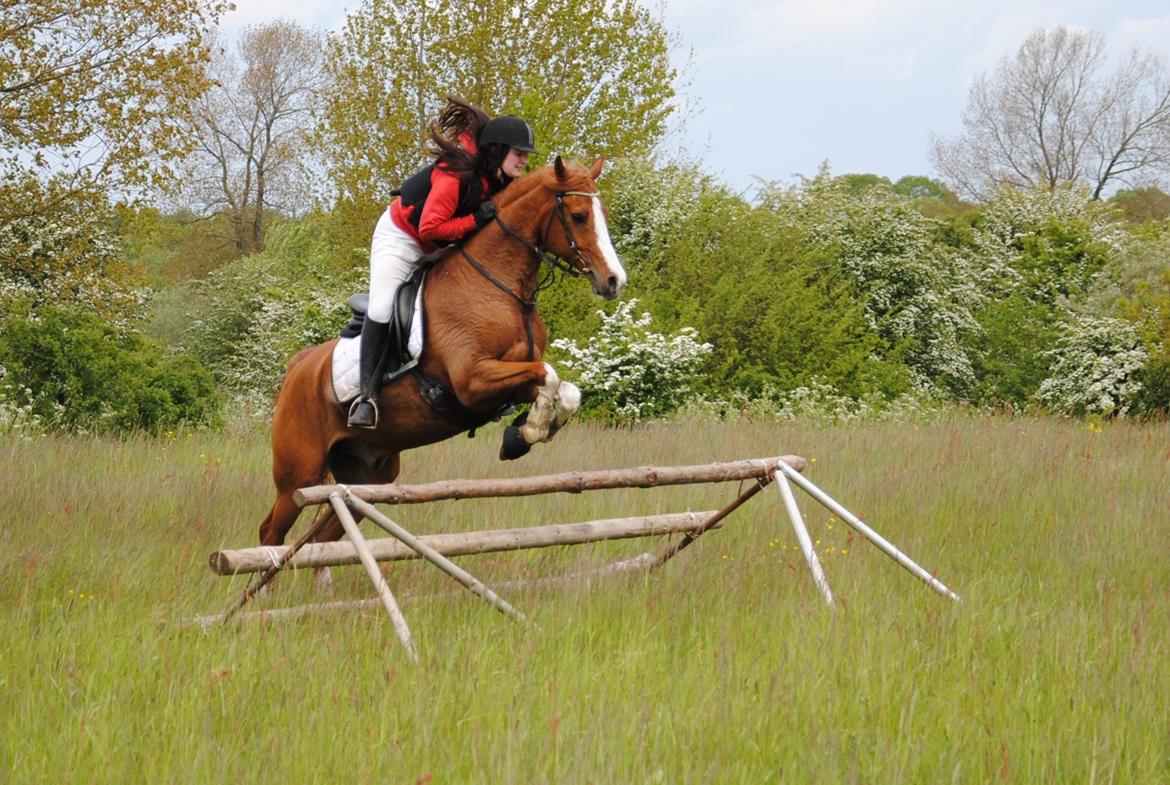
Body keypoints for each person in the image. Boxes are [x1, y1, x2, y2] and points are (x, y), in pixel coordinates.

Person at [348, 97, 538, 429]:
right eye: (518, 153)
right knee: (381, 306)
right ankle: (366, 397)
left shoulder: (499, 177)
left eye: (525, 155)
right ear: (498, 151)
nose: (523, 160)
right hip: (403, 237)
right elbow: (430, 228)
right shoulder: (455, 174)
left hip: (445, 244)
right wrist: (475, 221)